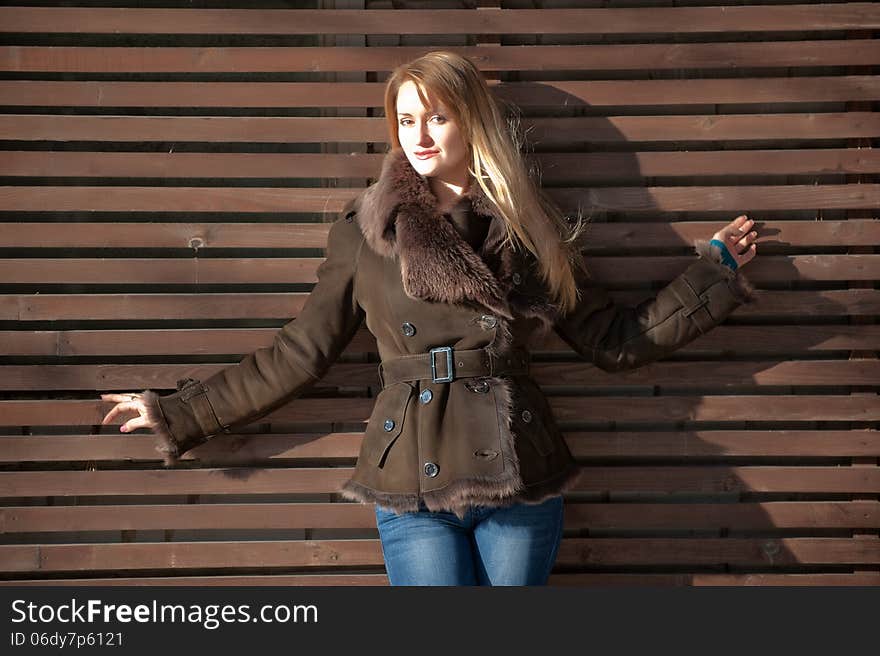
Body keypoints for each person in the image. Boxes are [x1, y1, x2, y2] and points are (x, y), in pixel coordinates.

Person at [101, 51, 758, 586]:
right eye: (406, 119)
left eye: (436, 118)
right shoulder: (366, 232)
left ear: (470, 122)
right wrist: (179, 412)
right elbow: (300, 352)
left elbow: (613, 341)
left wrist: (712, 274)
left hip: (519, 470)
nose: (417, 135)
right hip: (409, 473)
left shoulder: (528, 228)